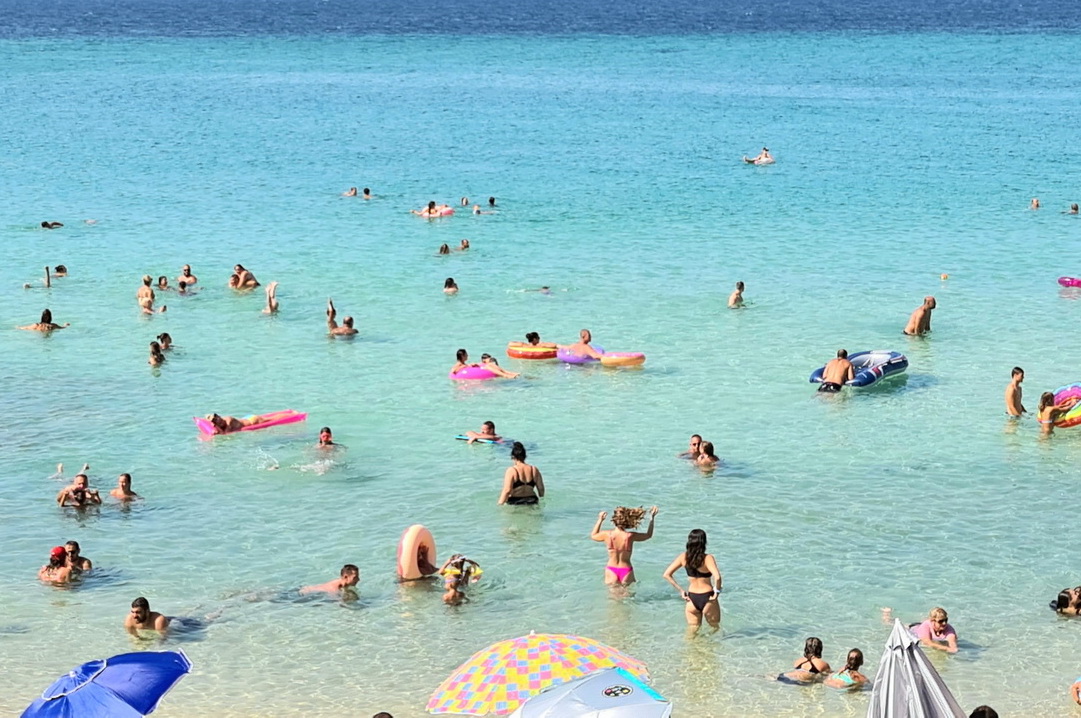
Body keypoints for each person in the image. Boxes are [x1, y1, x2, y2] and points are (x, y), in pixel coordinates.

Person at [662, 529, 722, 631]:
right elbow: (717, 577)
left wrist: (681, 591)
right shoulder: (708, 558)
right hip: (708, 597)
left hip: (691, 598)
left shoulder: (683, 557)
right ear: (703, 542)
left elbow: (667, 574)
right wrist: (717, 592)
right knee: (714, 629)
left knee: (692, 632)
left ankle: (692, 647)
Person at [590, 506, 657, 585]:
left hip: (611, 569)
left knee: (613, 596)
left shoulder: (607, 535)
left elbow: (593, 535)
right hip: (626, 569)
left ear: (614, 520)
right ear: (627, 521)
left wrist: (600, 520)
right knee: (628, 596)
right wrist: (652, 518)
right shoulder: (630, 536)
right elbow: (648, 535)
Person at [203, 411, 287, 435]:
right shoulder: (219, 424)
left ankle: (290, 414)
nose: (217, 419)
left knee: (271, 419)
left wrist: (216, 433)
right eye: (214, 420)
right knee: (269, 419)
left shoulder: (228, 420)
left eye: (216, 417)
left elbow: (226, 433)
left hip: (252, 421)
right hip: (246, 418)